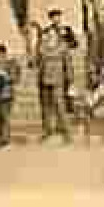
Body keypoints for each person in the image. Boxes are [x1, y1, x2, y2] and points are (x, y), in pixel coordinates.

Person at [33, 10, 73, 142]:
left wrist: (70, 78)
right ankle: (47, 130)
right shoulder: (41, 47)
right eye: (47, 35)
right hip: (44, 79)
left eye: (52, 35)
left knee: (60, 105)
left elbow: (68, 62)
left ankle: (66, 132)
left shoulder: (63, 46)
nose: (49, 37)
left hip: (58, 79)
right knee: (45, 107)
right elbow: (37, 59)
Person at [0, 44, 19, 148]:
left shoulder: (11, 64)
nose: (0, 56)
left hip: (6, 94)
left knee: (5, 118)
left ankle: (5, 140)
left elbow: (14, 78)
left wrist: (4, 76)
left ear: (5, 53)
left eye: (2, 54)